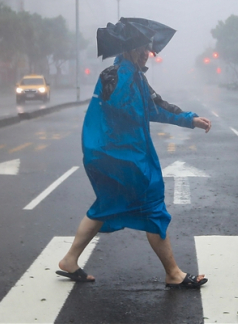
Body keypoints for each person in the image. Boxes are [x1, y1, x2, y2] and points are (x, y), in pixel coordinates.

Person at [56, 18, 211, 289]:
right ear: (127, 49)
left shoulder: (137, 77)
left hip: (120, 154)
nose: (147, 52)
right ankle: (173, 273)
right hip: (118, 156)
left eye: (148, 48)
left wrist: (190, 119)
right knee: (152, 205)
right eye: (141, 47)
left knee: (106, 206)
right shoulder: (114, 75)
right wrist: (129, 70)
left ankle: (69, 260)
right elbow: (116, 103)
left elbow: (156, 107)